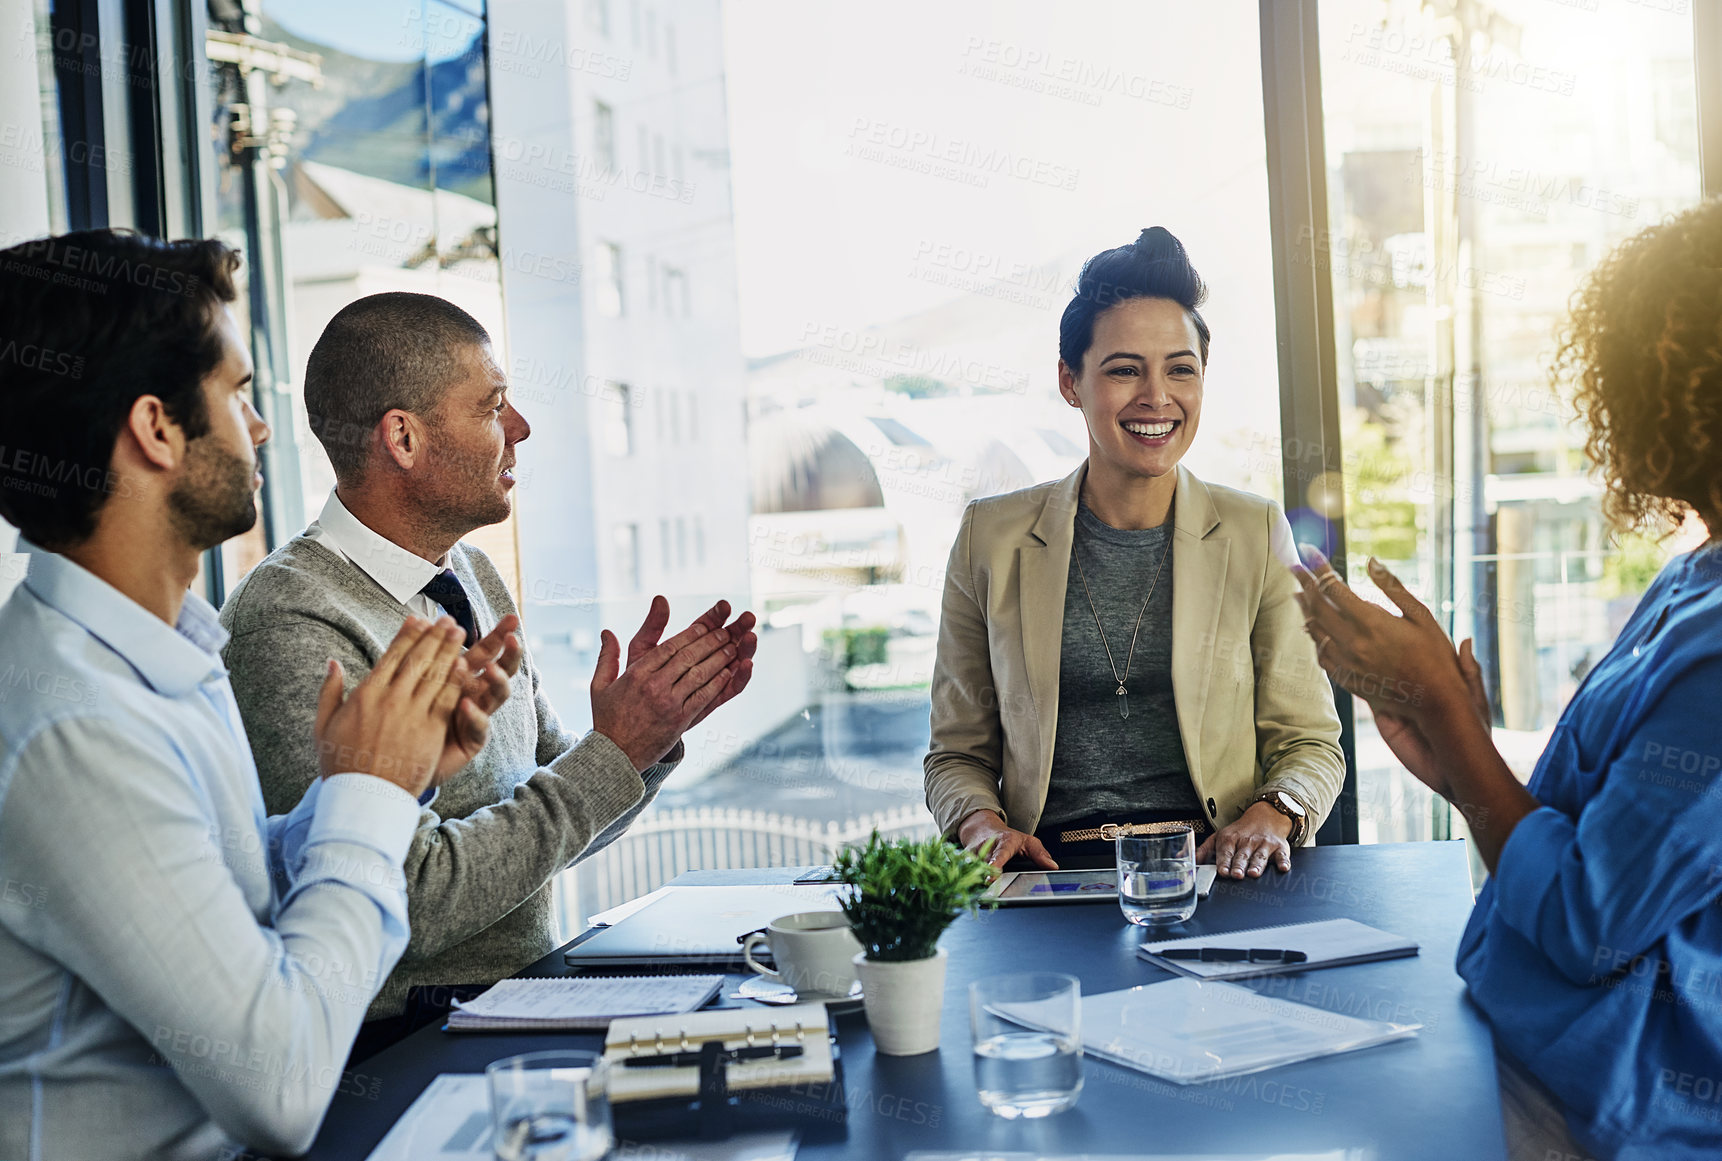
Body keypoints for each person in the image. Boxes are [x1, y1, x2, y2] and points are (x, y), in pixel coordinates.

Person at [0, 230, 511, 1159]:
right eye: (238, 394)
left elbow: (219, 896)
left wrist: (369, 783)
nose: (263, 426)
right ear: (157, 429)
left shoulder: (158, 656)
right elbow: (279, 1086)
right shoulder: (74, 727)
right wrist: (371, 795)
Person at [1294, 198, 1722, 1160]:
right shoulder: (1697, 573)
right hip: (1535, 1052)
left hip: (1613, 1107)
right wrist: (1452, 751)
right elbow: (1601, 832)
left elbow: (1586, 921)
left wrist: (1451, 717)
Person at [219, 291, 757, 1053]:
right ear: (402, 438)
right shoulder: (292, 618)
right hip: (404, 1047)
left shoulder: (469, 573)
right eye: (493, 404)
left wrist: (640, 742)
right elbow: (400, 898)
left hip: (517, 1013)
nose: (521, 428)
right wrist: (610, 757)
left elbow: (550, 813)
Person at [925, 227, 1344, 876]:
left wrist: (1274, 812)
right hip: (1046, 877)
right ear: (1071, 382)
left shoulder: (1253, 531)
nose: (1157, 396)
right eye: (1125, 370)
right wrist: (980, 821)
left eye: (1181, 369)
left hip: (1214, 868)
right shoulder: (991, 536)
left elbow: (1310, 741)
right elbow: (956, 754)